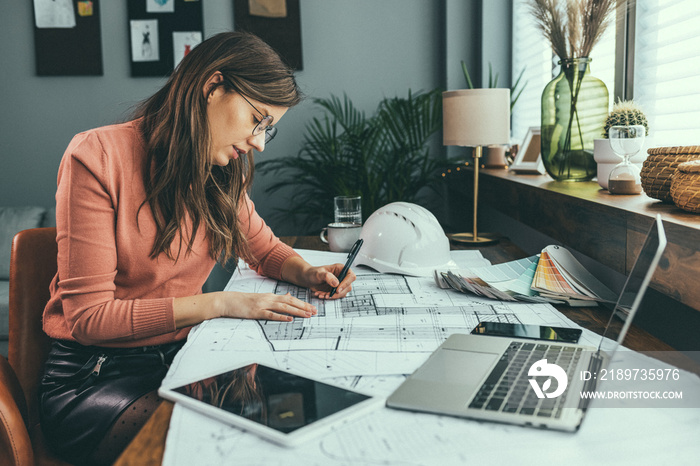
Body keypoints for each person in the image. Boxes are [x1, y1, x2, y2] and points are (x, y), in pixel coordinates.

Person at [38, 32, 356, 465]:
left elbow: (262, 248)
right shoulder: (96, 156)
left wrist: (306, 272)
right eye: (256, 119)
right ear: (212, 86)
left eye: (268, 129)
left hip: (185, 359)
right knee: (217, 446)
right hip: (96, 378)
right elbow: (89, 319)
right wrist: (221, 303)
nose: (259, 142)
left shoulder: (221, 169)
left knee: (300, 419)